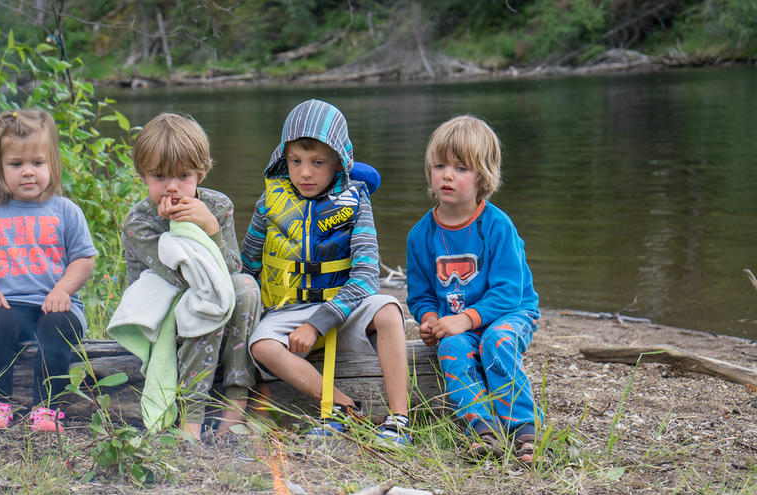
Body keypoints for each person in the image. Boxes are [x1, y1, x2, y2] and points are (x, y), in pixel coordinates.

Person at [240, 99, 410, 445]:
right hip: (289, 310)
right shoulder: (267, 204)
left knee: (390, 310)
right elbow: (248, 267)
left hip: (344, 306)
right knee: (261, 345)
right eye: (295, 161)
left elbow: (365, 277)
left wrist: (320, 320)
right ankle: (341, 408)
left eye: (318, 163)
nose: (305, 173)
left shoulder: (356, 201)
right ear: (282, 158)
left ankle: (399, 419)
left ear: (339, 162)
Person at [110, 112, 261, 441]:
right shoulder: (139, 221)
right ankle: (190, 418)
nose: (173, 187)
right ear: (143, 175)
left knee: (247, 288)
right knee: (200, 300)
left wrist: (211, 228)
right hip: (157, 303)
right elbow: (185, 279)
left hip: (207, 292)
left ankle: (235, 402)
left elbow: (232, 271)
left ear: (201, 173)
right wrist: (183, 228)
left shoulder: (218, 206)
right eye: (160, 176)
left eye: (183, 175)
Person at [405, 114, 541, 463]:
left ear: (483, 176)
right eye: (439, 166)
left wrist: (465, 319)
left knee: (496, 342)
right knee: (451, 346)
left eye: (461, 167)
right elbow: (420, 294)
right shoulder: (421, 235)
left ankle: (523, 428)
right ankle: (481, 428)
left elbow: (510, 291)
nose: (447, 175)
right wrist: (432, 319)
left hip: (512, 312)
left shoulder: (497, 226)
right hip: (457, 321)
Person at [0, 109, 97, 432]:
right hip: (8, 303)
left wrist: (63, 290)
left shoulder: (65, 211)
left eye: (38, 163)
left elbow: (83, 260)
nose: (28, 172)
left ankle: (47, 408)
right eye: (16, 164)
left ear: (52, 164)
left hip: (56, 304)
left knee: (57, 329)